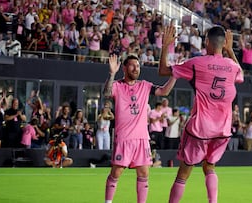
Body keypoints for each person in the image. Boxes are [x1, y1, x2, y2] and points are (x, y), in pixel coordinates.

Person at [159, 25, 244, 203]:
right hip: (223, 130)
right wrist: (229, 51)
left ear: (206, 42)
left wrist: (166, 46)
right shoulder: (232, 66)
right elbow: (240, 74)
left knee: (183, 173)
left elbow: (164, 71)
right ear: (223, 44)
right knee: (209, 167)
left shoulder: (197, 63)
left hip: (201, 128)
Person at [103, 54, 177, 203]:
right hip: (124, 137)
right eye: (132, 65)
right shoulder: (117, 85)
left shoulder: (145, 85)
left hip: (142, 138)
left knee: (144, 173)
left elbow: (164, 91)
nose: (136, 68)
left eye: (137, 66)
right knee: (116, 172)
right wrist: (111, 74)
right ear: (124, 68)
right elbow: (106, 93)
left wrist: (175, 76)